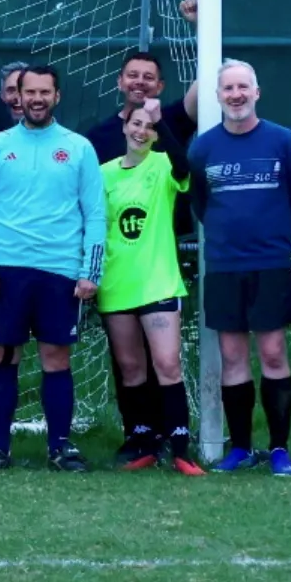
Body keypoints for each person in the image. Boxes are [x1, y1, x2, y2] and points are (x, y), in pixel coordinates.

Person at [0, 64, 104, 472]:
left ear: (57, 96)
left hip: (60, 271)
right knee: (3, 357)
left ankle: (60, 447)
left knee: (55, 357)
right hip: (6, 270)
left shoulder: (79, 147)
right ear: (17, 97)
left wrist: (89, 271)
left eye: (46, 92)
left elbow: (95, 214)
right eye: (30, 92)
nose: (37, 99)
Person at [186, 59, 291, 475]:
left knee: (274, 352)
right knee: (232, 355)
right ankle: (240, 448)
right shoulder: (203, 147)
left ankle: (279, 450)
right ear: (218, 96)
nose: (236, 95)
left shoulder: (284, 141)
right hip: (224, 266)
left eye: (243, 87)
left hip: (270, 263)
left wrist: (271, 236)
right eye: (228, 89)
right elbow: (201, 204)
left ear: (256, 92)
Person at [98, 99, 199, 472]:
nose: (142, 131)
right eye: (136, 123)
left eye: (149, 126)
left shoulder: (163, 165)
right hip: (116, 284)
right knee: (130, 368)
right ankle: (143, 441)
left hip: (157, 283)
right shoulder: (104, 173)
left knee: (167, 363)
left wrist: (164, 123)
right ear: (124, 125)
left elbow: (186, 166)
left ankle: (180, 446)